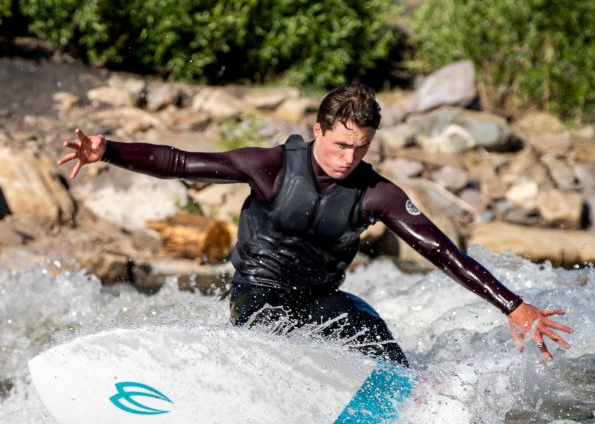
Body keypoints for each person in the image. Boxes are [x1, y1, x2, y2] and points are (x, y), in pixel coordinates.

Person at [58, 83, 573, 364]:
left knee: (377, 340)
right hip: (257, 295)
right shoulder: (272, 166)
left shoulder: (378, 194)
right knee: (275, 334)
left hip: (320, 298)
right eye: (340, 143)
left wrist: (513, 305)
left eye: (360, 147)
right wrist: (110, 151)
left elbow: (443, 252)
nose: (348, 157)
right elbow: (179, 161)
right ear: (318, 129)